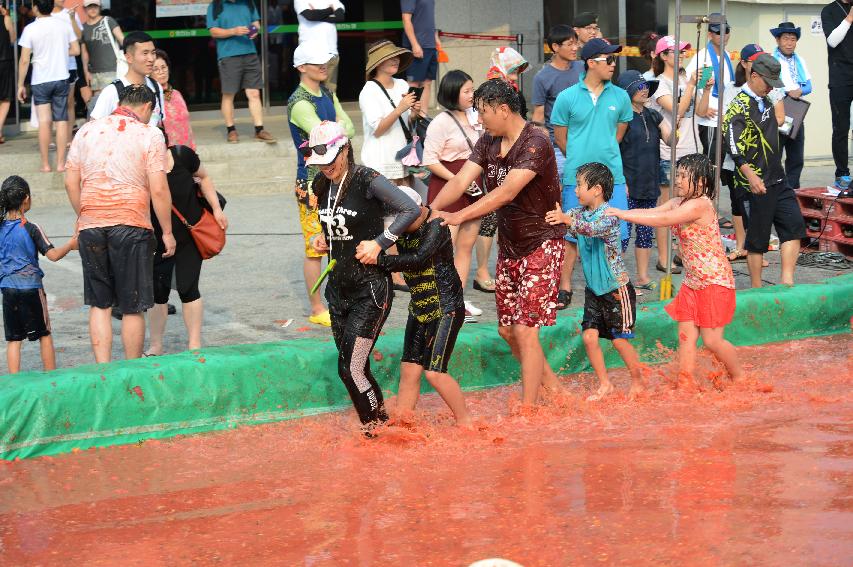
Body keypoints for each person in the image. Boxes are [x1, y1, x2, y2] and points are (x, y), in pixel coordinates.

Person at [430, 79, 566, 408]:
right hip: (510, 246)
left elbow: (504, 193)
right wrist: (429, 212)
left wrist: (458, 217)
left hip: (542, 243)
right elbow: (462, 179)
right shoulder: (488, 142)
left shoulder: (535, 141)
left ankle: (529, 406)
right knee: (508, 332)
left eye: (483, 112)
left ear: (503, 110)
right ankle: (556, 391)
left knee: (524, 331)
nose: (479, 119)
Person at [307, 121, 421, 434]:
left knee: (349, 367)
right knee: (356, 366)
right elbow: (334, 225)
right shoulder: (320, 184)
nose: (326, 166)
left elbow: (410, 209)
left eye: (331, 158)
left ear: (345, 149)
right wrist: (324, 238)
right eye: (320, 162)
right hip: (337, 291)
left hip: (369, 290)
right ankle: (380, 422)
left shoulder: (366, 179)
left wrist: (380, 243)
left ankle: (377, 429)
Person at [606, 154, 743, 387]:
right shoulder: (679, 201)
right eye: (676, 174)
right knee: (686, 337)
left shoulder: (700, 205)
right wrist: (618, 211)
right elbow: (654, 213)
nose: (676, 180)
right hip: (693, 282)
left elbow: (665, 220)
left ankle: (740, 377)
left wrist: (621, 215)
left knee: (711, 341)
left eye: (682, 176)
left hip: (714, 281)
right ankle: (685, 382)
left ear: (700, 182)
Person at [65, 84, 176, 363]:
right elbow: (159, 189)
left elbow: (70, 182)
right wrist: (168, 232)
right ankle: (131, 370)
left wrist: (86, 214)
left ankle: (103, 371)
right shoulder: (150, 134)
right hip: (131, 224)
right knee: (132, 304)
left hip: (92, 224)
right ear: (148, 108)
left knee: (100, 303)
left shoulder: (86, 131)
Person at [370, 188, 473, 427]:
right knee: (409, 370)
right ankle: (403, 422)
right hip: (418, 307)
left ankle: (466, 422)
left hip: (446, 307)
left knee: (434, 372)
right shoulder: (400, 227)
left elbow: (418, 258)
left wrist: (378, 260)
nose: (397, 230)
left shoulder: (436, 225)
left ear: (417, 211)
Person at [545, 163, 643, 400]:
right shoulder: (578, 214)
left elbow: (589, 229)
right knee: (589, 337)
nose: (576, 190)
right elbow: (571, 229)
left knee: (620, 341)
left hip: (616, 289)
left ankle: (638, 380)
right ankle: (605, 384)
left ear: (597, 189)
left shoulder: (609, 216)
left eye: (579, 185)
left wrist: (566, 220)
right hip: (594, 290)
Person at [551, 37, 632, 309]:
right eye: (608, 59)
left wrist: (602, 157)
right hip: (576, 177)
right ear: (591, 63)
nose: (613, 64)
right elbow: (560, 138)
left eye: (614, 59)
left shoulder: (621, 96)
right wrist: (581, 157)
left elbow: (619, 132)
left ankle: (611, 285)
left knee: (617, 233)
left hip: (613, 177)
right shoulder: (567, 97)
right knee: (571, 235)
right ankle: (564, 287)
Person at [287, 39, 355, 327]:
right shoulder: (299, 102)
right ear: (302, 67)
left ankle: (339, 299)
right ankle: (317, 307)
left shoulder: (325, 91)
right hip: (312, 181)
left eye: (326, 61)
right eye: (317, 62)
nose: (324, 66)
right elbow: (326, 134)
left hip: (335, 176)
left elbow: (348, 128)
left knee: (339, 239)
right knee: (316, 247)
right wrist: (337, 129)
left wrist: (337, 130)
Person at [723, 53, 806, 288]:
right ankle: (757, 289)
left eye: (773, 83)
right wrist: (751, 177)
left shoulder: (766, 99)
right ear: (754, 75)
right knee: (757, 239)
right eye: (768, 82)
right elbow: (733, 147)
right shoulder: (738, 107)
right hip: (755, 182)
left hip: (778, 176)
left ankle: (786, 283)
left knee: (793, 227)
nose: (770, 88)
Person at [145, 146, 228, 356]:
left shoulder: (183, 155)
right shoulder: (143, 166)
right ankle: (156, 346)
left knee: (188, 288)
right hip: (157, 238)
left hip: (190, 234)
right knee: (158, 292)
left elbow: (205, 177)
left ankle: (194, 344)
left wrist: (216, 209)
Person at [422, 70, 486, 319]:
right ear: (452, 93)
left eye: (472, 89)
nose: (472, 95)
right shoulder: (441, 121)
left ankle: (457, 300)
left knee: (466, 246)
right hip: (448, 187)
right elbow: (429, 160)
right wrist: (458, 181)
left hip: (473, 186)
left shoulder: (476, 116)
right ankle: (440, 301)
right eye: (467, 91)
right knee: (444, 248)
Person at [0, 175, 77, 374]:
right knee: (44, 333)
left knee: (14, 339)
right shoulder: (31, 228)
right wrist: (70, 244)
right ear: (26, 199)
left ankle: (14, 381)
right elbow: (53, 255)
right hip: (32, 288)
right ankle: (50, 377)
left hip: (8, 289)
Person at [615, 70, 671, 293]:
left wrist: (676, 118)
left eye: (646, 86)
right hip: (629, 183)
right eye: (639, 87)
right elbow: (615, 150)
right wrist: (621, 182)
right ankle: (619, 280)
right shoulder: (623, 118)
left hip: (650, 182)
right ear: (628, 91)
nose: (644, 90)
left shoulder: (653, 115)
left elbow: (669, 138)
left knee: (646, 233)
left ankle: (642, 276)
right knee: (623, 234)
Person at [650, 35, 699, 274]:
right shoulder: (659, 84)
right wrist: (690, 86)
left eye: (684, 51)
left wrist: (704, 89)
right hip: (669, 152)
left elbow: (698, 110)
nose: (683, 55)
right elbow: (678, 109)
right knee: (667, 207)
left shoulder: (683, 80)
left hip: (691, 148)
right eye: (677, 51)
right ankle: (663, 257)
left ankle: (680, 253)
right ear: (663, 56)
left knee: (687, 205)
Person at [16, 0, 79, 173]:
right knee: (61, 121)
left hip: (40, 80)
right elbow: (76, 50)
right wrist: (58, 50)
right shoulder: (63, 25)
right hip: (61, 79)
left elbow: (24, 60)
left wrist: (21, 84)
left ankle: (45, 164)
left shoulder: (30, 29)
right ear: (51, 7)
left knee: (44, 122)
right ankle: (60, 164)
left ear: (35, 7)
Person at [207, 0, 275, 143]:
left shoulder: (248, 3)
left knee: (254, 93)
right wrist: (234, 31)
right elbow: (213, 31)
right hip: (228, 55)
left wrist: (253, 31)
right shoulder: (215, 6)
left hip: (250, 53)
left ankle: (259, 129)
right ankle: (231, 130)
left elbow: (256, 24)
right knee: (229, 94)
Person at [359, 40, 419, 186]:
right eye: (390, 57)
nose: (396, 60)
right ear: (378, 63)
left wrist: (414, 112)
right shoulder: (369, 91)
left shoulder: (402, 84)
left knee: (411, 207)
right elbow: (378, 130)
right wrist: (399, 109)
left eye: (397, 56)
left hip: (405, 162)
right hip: (381, 164)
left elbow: (409, 124)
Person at [532, 24, 581, 178]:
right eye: (569, 44)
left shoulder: (583, 69)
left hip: (584, 142)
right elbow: (539, 115)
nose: (575, 48)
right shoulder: (542, 77)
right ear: (555, 47)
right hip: (558, 147)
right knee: (564, 194)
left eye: (576, 43)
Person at [90, 32, 164, 128]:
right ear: (128, 57)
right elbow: (93, 129)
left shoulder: (156, 87)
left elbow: (159, 123)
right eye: (145, 53)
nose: (151, 58)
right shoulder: (112, 91)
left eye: (153, 53)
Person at [686, 13, 734, 159]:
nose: (723, 35)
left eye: (726, 31)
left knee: (724, 167)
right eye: (718, 32)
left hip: (726, 119)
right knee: (712, 164)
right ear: (709, 35)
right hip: (710, 122)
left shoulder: (726, 55)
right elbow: (690, 84)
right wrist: (702, 107)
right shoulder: (705, 58)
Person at [771, 21, 812, 190]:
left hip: (796, 113)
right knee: (776, 154)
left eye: (793, 39)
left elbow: (809, 86)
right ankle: (776, 188)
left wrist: (799, 92)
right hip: (779, 111)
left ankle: (792, 189)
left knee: (796, 157)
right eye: (786, 39)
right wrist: (789, 91)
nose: (789, 43)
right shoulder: (771, 60)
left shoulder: (800, 60)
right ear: (778, 40)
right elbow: (771, 85)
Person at [821, 0, 853, 189]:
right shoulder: (830, 11)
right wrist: (849, 19)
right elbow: (832, 40)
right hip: (840, 77)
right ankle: (842, 173)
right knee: (841, 127)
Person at [294, 0, 344, 93]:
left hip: (331, 53)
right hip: (309, 55)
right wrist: (330, 10)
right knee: (310, 92)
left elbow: (340, 17)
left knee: (330, 93)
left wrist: (318, 15)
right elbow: (310, 16)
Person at [151, 49, 196, 149]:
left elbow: (187, 126)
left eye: (163, 67)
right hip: (166, 153)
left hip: (186, 152)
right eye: (156, 69)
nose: (161, 72)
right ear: (149, 73)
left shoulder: (177, 94)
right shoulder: (150, 98)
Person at [401, 0, 441, 112]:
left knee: (427, 83)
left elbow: (427, 18)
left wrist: (434, 36)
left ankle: (423, 116)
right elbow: (406, 19)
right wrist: (414, 44)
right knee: (414, 84)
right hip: (417, 45)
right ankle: (412, 117)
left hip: (430, 45)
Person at [81, 0, 125, 96]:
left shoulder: (108, 20)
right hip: (94, 73)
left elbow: (122, 40)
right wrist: (86, 72)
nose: (93, 9)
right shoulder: (83, 28)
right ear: (85, 9)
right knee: (99, 102)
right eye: (90, 6)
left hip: (112, 69)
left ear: (100, 7)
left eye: (95, 6)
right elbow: (84, 53)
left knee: (113, 100)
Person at [51, 0, 84, 129]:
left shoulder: (71, 14)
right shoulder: (44, 16)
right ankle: (54, 137)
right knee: (52, 104)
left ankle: (69, 137)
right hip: (51, 66)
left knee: (69, 102)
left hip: (69, 64)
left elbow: (79, 36)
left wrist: (72, 19)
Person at [485, 47, 529, 118]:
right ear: (500, 66)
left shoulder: (516, 91)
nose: (516, 66)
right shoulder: (492, 93)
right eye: (508, 62)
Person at [0, 5, 16, 144]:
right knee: (5, 98)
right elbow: (12, 38)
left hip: (4, 62)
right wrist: (7, 16)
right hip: (4, 62)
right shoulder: (6, 18)